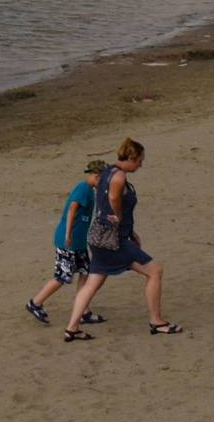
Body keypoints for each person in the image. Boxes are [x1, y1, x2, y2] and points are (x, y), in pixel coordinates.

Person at [63, 138, 179, 338]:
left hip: (98, 237)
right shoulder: (119, 177)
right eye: (140, 160)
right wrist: (118, 217)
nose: (141, 165)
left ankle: (71, 328)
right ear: (132, 157)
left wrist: (129, 230)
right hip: (113, 240)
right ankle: (156, 321)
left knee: (93, 281)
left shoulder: (106, 171)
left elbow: (105, 203)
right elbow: (114, 199)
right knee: (155, 271)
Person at [26, 156, 109, 325]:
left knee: (86, 272)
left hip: (78, 243)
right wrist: (68, 234)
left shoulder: (90, 190)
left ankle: (83, 310)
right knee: (62, 276)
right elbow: (72, 209)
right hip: (67, 242)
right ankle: (35, 303)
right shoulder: (83, 189)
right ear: (97, 176)